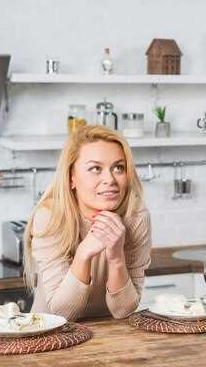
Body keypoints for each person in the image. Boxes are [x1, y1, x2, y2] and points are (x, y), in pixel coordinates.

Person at [24, 126, 151, 321]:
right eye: (95, 169)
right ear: (71, 178)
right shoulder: (50, 218)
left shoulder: (135, 219)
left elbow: (123, 311)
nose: (109, 179)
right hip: (48, 338)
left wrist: (117, 258)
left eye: (118, 168)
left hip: (109, 341)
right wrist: (83, 254)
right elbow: (64, 313)